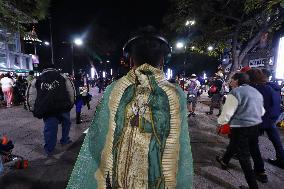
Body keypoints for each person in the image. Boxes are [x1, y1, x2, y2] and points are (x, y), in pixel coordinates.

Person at [67, 26, 193, 189]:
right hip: (156, 177)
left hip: (121, 178)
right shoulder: (176, 95)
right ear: (163, 60)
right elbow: (179, 147)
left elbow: (98, 138)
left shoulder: (115, 89)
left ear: (131, 60)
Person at [216, 72, 266, 189]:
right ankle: (224, 160)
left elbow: (227, 113)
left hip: (241, 127)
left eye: (232, 79)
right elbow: (262, 111)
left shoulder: (235, 92)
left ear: (237, 80)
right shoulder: (256, 92)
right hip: (255, 126)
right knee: (235, 144)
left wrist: (220, 124)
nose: (230, 81)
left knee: (244, 157)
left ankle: (253, 186)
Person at [26, 64, 75, 156]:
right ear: (55, 69)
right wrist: (70, 104)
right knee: (66, 123)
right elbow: (71, 91)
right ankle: (65, 140)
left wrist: (33, 108)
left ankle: (49, 149)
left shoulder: (37, 79)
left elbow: (31, 95)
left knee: (50, 128)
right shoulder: (62, 77)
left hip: (48, 108)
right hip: (63, 105)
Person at [247, 68, 284, 169]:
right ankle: (281, 159)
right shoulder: (275, 87)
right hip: (272, 117)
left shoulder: (261, 88)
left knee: (252, 141)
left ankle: (259, 169)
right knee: (276, 140)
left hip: (261, 118)